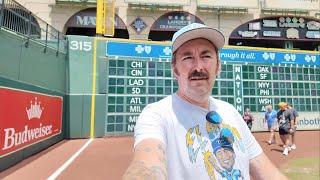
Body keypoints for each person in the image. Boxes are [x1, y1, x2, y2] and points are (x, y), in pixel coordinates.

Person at [123, 23, 287, 180]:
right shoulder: (157, 114)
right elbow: (147, 165)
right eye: (188, 57)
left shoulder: (231, 112)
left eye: (206, 56)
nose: (199, 67)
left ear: (218, 67)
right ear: (175, 69)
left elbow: (268, 172)